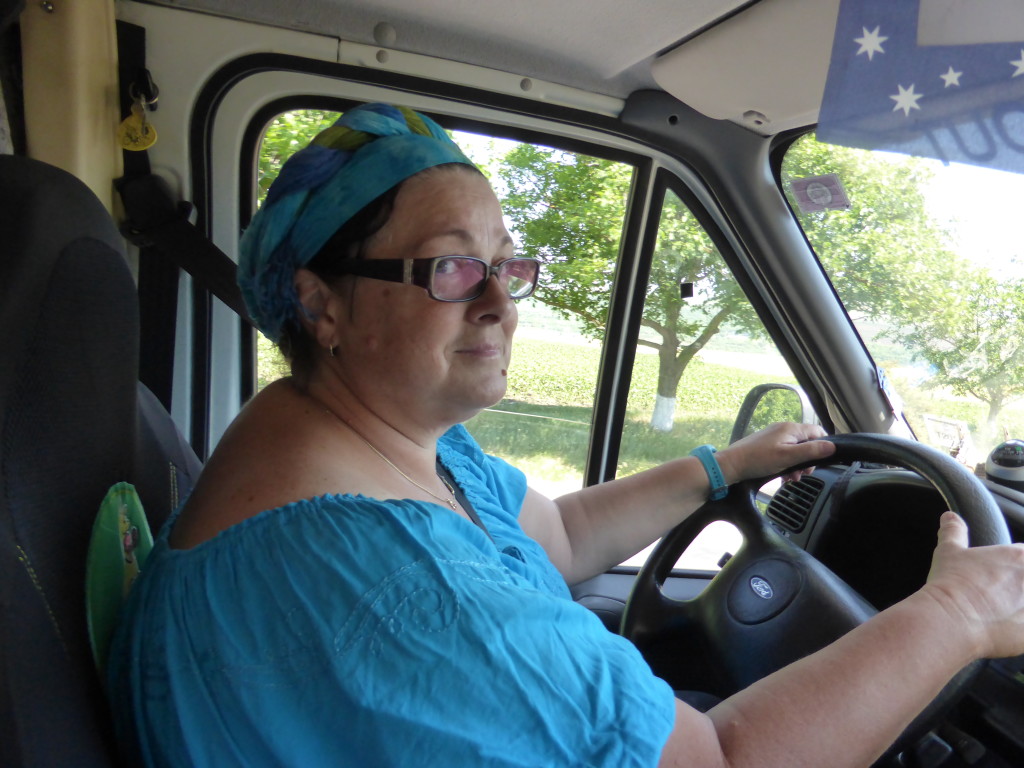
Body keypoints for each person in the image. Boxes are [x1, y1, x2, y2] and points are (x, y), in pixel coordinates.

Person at [108, 102, 1024, 767]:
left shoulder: (366, 437)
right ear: (321, 305)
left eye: (505, 262)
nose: (502, 303)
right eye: (454, 267)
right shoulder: (396, 582)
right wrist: (959, 613)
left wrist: (725, 465)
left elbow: (562, 537)